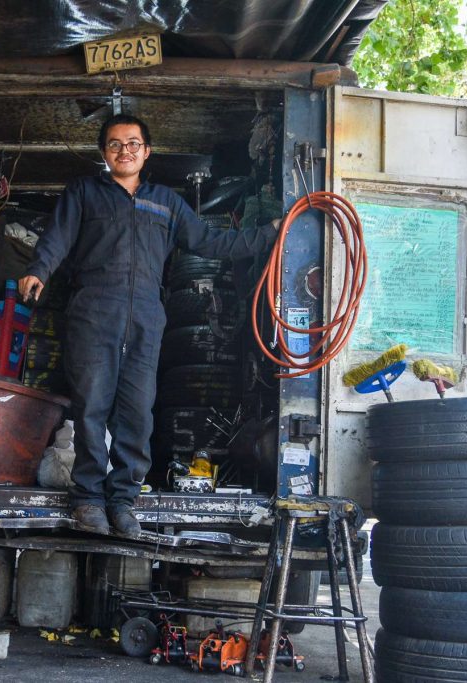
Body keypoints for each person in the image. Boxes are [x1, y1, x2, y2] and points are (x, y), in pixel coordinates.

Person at [19, 114, 278, 536]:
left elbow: (211, 243)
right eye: (116, 144)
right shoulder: (84, 193)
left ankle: (122, 501)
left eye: (133, 143)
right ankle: (88, 499)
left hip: (145, 316)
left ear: (147, 151)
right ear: (104, 153)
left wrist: (269, 232)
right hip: (93, 312)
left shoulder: (166, 201)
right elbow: (57, 237)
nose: (125, 151)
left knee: (137, 412)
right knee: (91, 409)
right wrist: (39, 270)